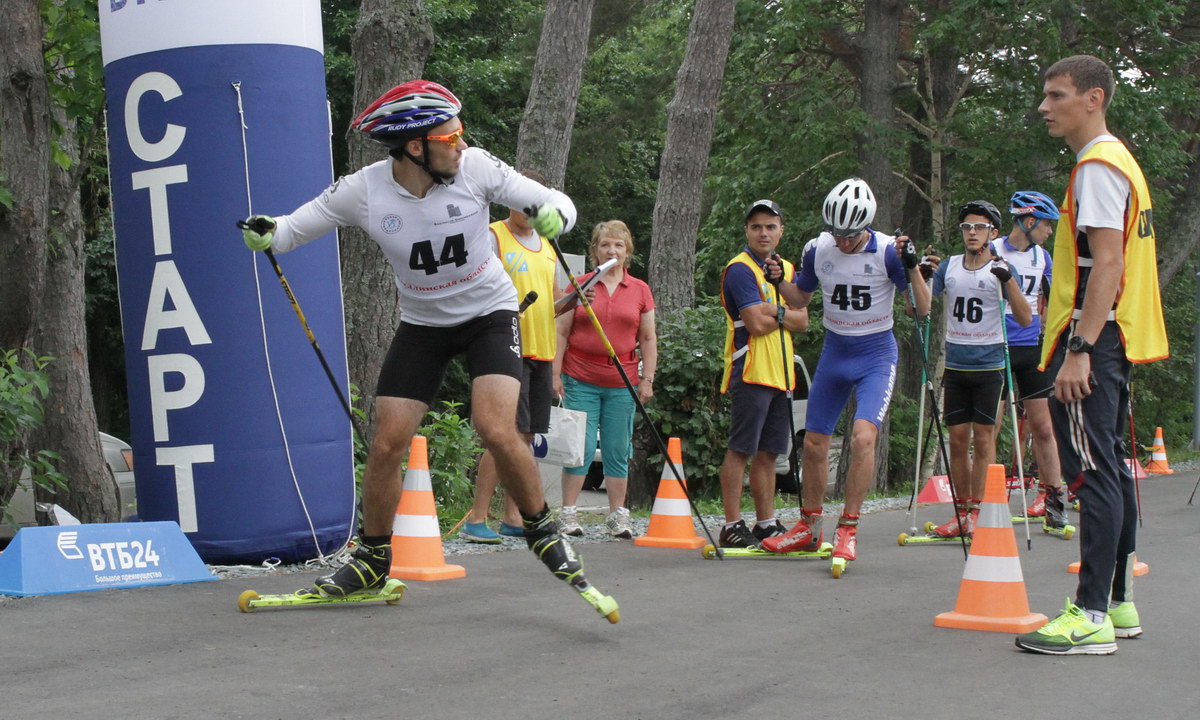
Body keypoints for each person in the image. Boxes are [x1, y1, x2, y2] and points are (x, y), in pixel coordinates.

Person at [239, 80, 611, 607]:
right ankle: (371, 560)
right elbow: (292, 229)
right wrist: (266, 231)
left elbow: (557, 204)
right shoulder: (364, 190)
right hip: (423, 324)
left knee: (496, 427)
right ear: (416, 147)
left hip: (488, 312)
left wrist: (556, 215)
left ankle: (544, 532)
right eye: (450, 137)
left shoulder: (475, 167)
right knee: (388, 441)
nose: (461, 144)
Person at [1016, 55, 1168, 655]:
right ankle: (1120, 602)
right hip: (1115, 337)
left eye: (1056, 96)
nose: (1045, 107)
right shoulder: (1117, 159)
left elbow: (1106, 262)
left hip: (1096, 340)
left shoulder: (1098, 167)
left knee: (1092, 471)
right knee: (1110, 466)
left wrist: (1078, 347)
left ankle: (1091, 615)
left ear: (1093, 98)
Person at [762, 179, 930, 569]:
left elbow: (921, 310)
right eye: (836, 233)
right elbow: (800, 298)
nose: (842, 242)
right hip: (836, 351)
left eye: (850, 235)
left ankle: (849, 528)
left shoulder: (888, 251)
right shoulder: (818, 248)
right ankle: (809, 526)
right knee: (815, 443)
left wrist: (913, 268)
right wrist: (778, 282)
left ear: (866, 226)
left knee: (863, 437)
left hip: (875, 354)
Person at [461, 172, 562, 544]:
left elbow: (553, 301)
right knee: (504, 435)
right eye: (521, 201)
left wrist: (579, 293)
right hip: (508, 346)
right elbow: (477, 285)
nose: (528, 209)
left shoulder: (547, 242)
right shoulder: (494, 235)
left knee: (527, 435)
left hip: (542, 347)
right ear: (508, 201)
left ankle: (512, 516)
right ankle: (477, 517)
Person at [924, 200, 1032, 539]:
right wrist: (921, 273)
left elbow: (1026, 318)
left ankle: (980, 512)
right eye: (967, 227)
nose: (972, 233)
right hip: (956, 364)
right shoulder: (951, 266)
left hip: (990, 365)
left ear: (993, 233)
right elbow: (922, 306)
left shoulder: (1000, 268)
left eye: (979, 227)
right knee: (957, 440)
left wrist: (1009, 281)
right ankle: (962, 511)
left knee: (984, 439)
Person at [553, 220, 657, 539]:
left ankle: (617, 515)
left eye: (618, 245)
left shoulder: (639, 289)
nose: (611, 250)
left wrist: (647, 378)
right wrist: (554, 373)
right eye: (605, 245)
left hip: (623, 381)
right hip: (580, 376)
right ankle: (568, 512)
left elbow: (649, 337)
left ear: (628, 252)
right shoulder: (581, 284)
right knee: (579, 447)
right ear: (595, 251)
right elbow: (561, 329)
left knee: (616, 447)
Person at [715, 199, 809, 548]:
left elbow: (804, 320)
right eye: (756, 226)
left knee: (770, 452)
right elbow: (754, 323)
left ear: (781, 230)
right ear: (747, 231)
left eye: (770, 226)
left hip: (782, 374)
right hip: (751, 369)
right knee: (741, 449)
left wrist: (775, 309)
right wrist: (782, 314)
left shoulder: (785, 268)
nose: (764, 233)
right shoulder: (740, 269)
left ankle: (765, 522)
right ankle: (731, 523)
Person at [992, 191, 1070, 534]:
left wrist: (1053, 346)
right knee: (989, 428)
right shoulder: (992, 250)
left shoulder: (1043, 258)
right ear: (1029, 221)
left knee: (1043, 426)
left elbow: (1053, 303)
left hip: (1030, 348)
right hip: (994, 346)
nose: (1049, 232)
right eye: (1046, 225)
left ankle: (1053, 500)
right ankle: (984, 504)